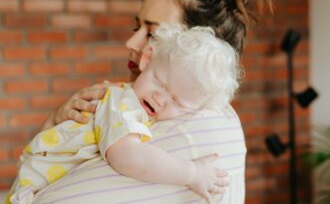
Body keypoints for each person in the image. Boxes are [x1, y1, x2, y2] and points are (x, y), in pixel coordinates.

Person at [29, 0, 272, 203]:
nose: (131, 43)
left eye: (152, 33)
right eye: (137, 29)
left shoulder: (205, 124)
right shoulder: (126, 100)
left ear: (198, 44)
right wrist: (54, 122)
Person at [8, 25, 240, 204]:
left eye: (177, 102)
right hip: (33, 188)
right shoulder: (122, 101)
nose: (160, 99)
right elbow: (127, 156)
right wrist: (191, 173)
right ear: (147, 59)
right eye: (159, 82)